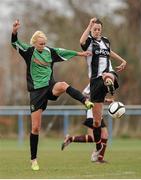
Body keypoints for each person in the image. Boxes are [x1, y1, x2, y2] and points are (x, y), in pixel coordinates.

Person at [11, 19, 94, 171]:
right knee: (35, 128)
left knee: (63, 85)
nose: (43, 46)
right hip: (36, 92)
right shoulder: (29, 52)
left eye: (44, 43)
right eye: (41, 43)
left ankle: (85, 101)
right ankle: (33, 159)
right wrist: (15, 31)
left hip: (50, 86)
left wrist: (80, 53)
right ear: (35, 43)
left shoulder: (50, 52)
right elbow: (15, 43)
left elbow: (64, 52)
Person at [79, 17, 127, 163]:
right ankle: (98, 147)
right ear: (92, 29)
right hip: (94, 81)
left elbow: (110, 51)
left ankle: (109, 82)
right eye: (95, 29)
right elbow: (81, 41)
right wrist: (88, 25)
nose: (97, 31)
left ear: (102, 30)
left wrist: (122, 60)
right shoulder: (89, 42)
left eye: (99, 29)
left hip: (107, 74)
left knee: (108, 75)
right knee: (97, 122)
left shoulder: (105, 40)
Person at [61, 83, 113, 163]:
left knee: (93, 137)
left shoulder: (103, 81)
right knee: (104, 135)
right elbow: (85, 94)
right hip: (92, 111)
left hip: (96, 111)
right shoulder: (95, 81)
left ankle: (70, 139)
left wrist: (106, 100)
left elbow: (97, 96)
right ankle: (99, 158)